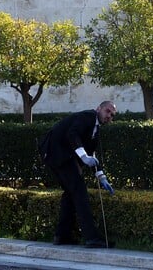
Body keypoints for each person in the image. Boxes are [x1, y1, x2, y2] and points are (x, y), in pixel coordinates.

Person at [38, 101, 117, 248]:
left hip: (56, 156)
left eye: (112, 115)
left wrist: (101, 177)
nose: (109, 116)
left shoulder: (95, 128)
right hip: (58, 154)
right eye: (107, 111)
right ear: (98, 108)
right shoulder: (88, 116)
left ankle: (62, 236)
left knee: (70, 193)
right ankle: (92, 238)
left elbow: (92, 154)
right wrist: (83, 157)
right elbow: (72, 133)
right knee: (80, 192)